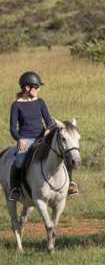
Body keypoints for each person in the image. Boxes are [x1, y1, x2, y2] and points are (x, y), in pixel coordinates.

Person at [9, 71, 78, 200]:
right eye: (36, 87)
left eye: (38, 87)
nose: (38, 89)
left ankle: (70, 185)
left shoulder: (40, 102)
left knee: (64, 152)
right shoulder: (16, 105)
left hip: (42, 138)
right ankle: (16, 189)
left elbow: (49, 121)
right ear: (26, 87)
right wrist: (19, 139)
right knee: (18, 162)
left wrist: (49, 129)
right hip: (26, 140)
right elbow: (13, 128)